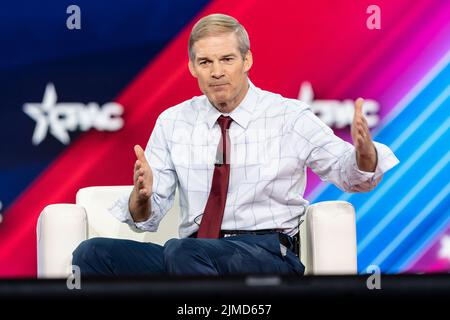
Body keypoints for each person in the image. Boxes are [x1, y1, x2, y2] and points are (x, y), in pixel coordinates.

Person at [72, 13, 399, 276]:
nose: (216, 72)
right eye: (205, 62)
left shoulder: (288, 116)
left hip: (268, 253)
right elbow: (148, 216)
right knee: (93, 254)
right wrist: (140, 196)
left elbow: (351, 176)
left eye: (227, 59)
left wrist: (364, 155)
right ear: (191, 67)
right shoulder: (173, 122)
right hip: (191, 253)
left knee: (182, 251)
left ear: (247, 60)